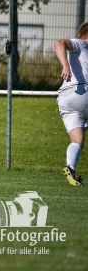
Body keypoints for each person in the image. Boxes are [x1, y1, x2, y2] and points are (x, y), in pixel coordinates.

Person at [54, 22, 88, 186]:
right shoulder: (81, 44)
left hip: (65, 98)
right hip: (82, 92)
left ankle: (70, 168)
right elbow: (59, 43)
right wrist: (65, 66)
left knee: (77, 141)